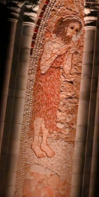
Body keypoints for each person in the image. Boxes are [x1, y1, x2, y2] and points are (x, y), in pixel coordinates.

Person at [31, 15, 82, 158]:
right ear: (64, 26)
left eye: (76, 30)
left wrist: (70, 54)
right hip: (44, 79)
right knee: (41, 112)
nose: (73, 32)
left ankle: (44, 142)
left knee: (50, 111)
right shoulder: (51, 44)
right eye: (71, 27)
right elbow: (43, 67)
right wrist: (58, 52)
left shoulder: (65, 47)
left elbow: (67, 70)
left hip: (55, 79)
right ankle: (35, 142)